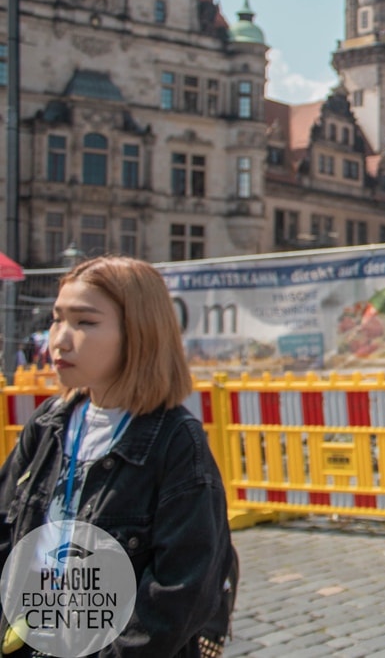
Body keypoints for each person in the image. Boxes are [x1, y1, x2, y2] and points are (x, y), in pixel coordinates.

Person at [0, 256, 237, 656]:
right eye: (57, 319)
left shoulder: (177, 441)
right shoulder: (49, 422)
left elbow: (178, 594)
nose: (60, 339)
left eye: (85, 322)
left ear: (138, 333)